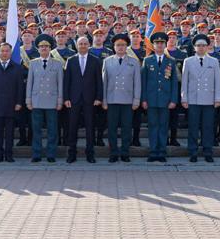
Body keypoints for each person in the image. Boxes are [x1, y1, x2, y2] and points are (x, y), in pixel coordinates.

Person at [181, 34, 220, 163]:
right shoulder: (188, 61)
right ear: (194, 47)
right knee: (193, 127)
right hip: (193, 99)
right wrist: (184, 98)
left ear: (207, 47)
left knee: (208, 127)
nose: (201, 48)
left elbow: (217, 81)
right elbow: (184, 81)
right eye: (198, 45)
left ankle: (208, 152)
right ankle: (193, 152)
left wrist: (218, 98)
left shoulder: (214, 61)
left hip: (209, 99)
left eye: (204, 45)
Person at [62, 36, 103, 163]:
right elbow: (66, 81)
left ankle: (90, 154)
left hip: (90, 100)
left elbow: (99, 81)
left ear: (89, 45)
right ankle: (71, 154)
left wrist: (99, 97)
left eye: (85, 44)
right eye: (81, 44)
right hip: (73, 99)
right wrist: (66, 98)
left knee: (90, 128)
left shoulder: (95, 60)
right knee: (72, 127)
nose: (83, 46)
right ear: (77, 46)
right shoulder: (71, 60)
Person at [102, 33, 141, 163]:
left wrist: (136, 100)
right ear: (114, 47)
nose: (120, 47)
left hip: (127, 100)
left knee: (126, 128)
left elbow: (137, 82)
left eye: (123, 45)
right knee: (112, 128)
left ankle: (125, 152)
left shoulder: (134, 62)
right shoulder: (107, 61)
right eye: (118, 45)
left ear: (127, 46)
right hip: (112, 99)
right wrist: (104, 100)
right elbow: (104, 82)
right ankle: (113, 152)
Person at [141, 32, 179, 163]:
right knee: (152, 126)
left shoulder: (171, 61)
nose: (159, 45)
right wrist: (143, 99)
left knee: (163, 126)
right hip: (151, 99)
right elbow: (143, 82)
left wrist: (173, 100)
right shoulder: (147, 60)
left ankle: (162, 151)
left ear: (165, 44)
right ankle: (153, 151)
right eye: (157, 43)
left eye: (162, 43)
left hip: (165, 100)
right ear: (153, 45)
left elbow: (174, 82)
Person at [0, 43, 24, 163]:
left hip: (11, 105)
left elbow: (20, 87)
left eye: (7, 51)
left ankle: (9, 155)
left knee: (10, 133)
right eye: (2, 51)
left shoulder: (17, 68)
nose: (4, 53)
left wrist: (19, 102)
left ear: (10, 53)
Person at [26, 35, 63, 163]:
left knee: (52, 130)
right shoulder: (33, 63)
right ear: (38, 48)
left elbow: (60, 83)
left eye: (46, 46)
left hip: (52, 101)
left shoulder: (57, 64)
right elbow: (29, 83)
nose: (44, 48)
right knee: (36, 130)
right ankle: (36, 154)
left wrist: (60, 100)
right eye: (41, 46)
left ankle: (51, 154)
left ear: (50, 48)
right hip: (36, 100)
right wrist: (28, 100)